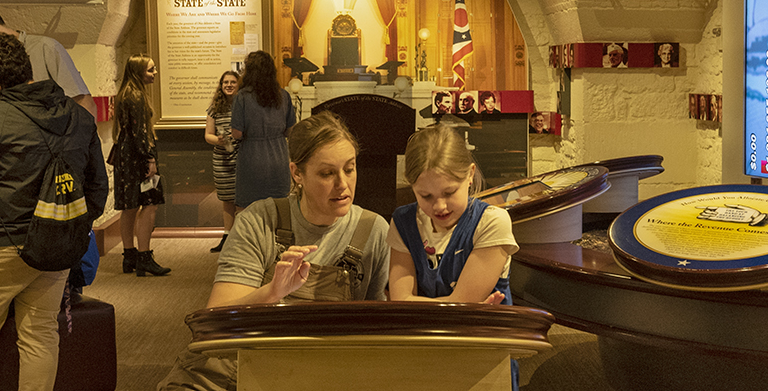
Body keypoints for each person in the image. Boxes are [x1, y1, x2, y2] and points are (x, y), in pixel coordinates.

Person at [157, 112, 391, 390]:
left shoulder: (372, 229)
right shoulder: (260, 220)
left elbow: (376, 329)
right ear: (297, 173)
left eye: (349, 169)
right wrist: (273, 292)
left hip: (322, 369)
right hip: (241, 364)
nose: (342, 183)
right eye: (327, 173)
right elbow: (216, 319)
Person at [0, 32, 107, 391]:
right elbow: (97, 189)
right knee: (41, 335)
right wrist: (72, 231)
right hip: (55, 248)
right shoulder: (79, 116)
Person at [388, 122, 519, 387]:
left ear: (470, 175)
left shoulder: (492, 221)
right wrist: (460, 307)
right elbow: (400, 300)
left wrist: (440, 305)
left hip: (483, 353)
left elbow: (460, 303)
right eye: (425, 195)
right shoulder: (402, 221)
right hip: (421, 355)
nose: (439, 206)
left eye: (449, 192)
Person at [110, 55, 170, 276]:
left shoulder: (125, 93)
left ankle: (130, 255)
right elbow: (140, 133)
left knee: (129, 207)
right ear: (138, 72)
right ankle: (144, 256)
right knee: (150, 204)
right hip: (138, 158)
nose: (155, 73)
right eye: (150, 70)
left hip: (126, 156)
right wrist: (150, 159)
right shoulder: (136, 97)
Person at [231, 51, 297, 211]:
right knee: (279, 208)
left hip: (252, 159)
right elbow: (291, 131)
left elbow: (236, 133)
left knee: (249, 210)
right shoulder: (283, 95)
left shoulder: (242, 97)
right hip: (279, 158)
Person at [204, 71, 242, 253]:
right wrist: (218, 140)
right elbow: (207, 135)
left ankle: (241, 237)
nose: (229, 85)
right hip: (222, 158)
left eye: (232, 82)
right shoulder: (215, 107)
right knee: (227, 199)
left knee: (242, 198)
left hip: (241, 156)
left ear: (238, 84)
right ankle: (227, 236)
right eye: (225, 82)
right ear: (221, 85)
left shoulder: (243, 105)